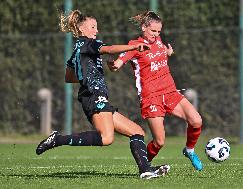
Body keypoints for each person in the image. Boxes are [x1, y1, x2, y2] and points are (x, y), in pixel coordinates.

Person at [35, 9, 170, 179]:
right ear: (81, 29)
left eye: (96, 27)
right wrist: (134, 46)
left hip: (95, 95)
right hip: (93, 96)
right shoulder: (88, 44)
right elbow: (110, 49)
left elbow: (69, 77)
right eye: (92, 27)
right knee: (106, 138)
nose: (96, 30)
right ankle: (57, 140)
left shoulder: (78, 49)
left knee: (137, 132)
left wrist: (87, 77)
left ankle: (145, 169)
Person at [108, 11, 203, 171]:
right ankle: (145, 166)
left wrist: (168, 53)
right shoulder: (135, 45)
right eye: (153, 31)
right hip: (151, 97)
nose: (156, 34)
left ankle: (189, 150)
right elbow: (119, 61)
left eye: (159, 31)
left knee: (196, 120)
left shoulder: (158, 40)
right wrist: (114, 65)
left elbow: (158, 54)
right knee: (159, 142)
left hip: (170, 91)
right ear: (144, 27)